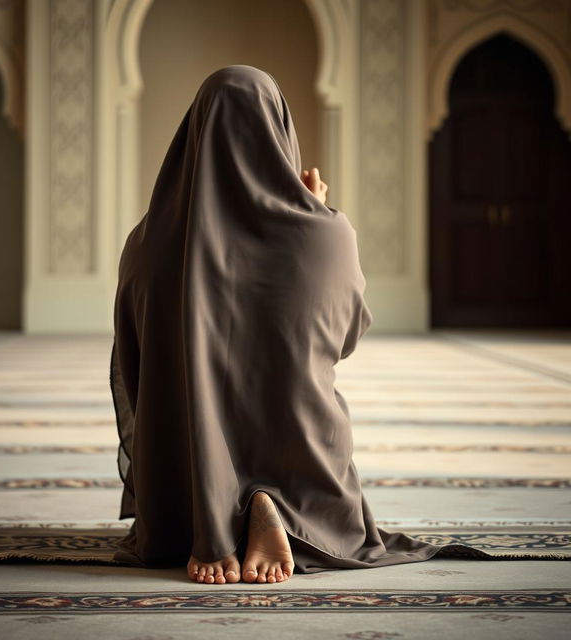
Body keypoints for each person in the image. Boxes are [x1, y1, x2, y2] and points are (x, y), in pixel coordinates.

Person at [109, 64, 448, 585]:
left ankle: (212, 510)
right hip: (303, 446)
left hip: (185, 460)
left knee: (183, 390)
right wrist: (317, 212)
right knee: (303, 401)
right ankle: (280, 499)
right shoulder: (326, 234)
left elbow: (131, 356)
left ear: (192, 136)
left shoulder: (146, 243)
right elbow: (345, 337)